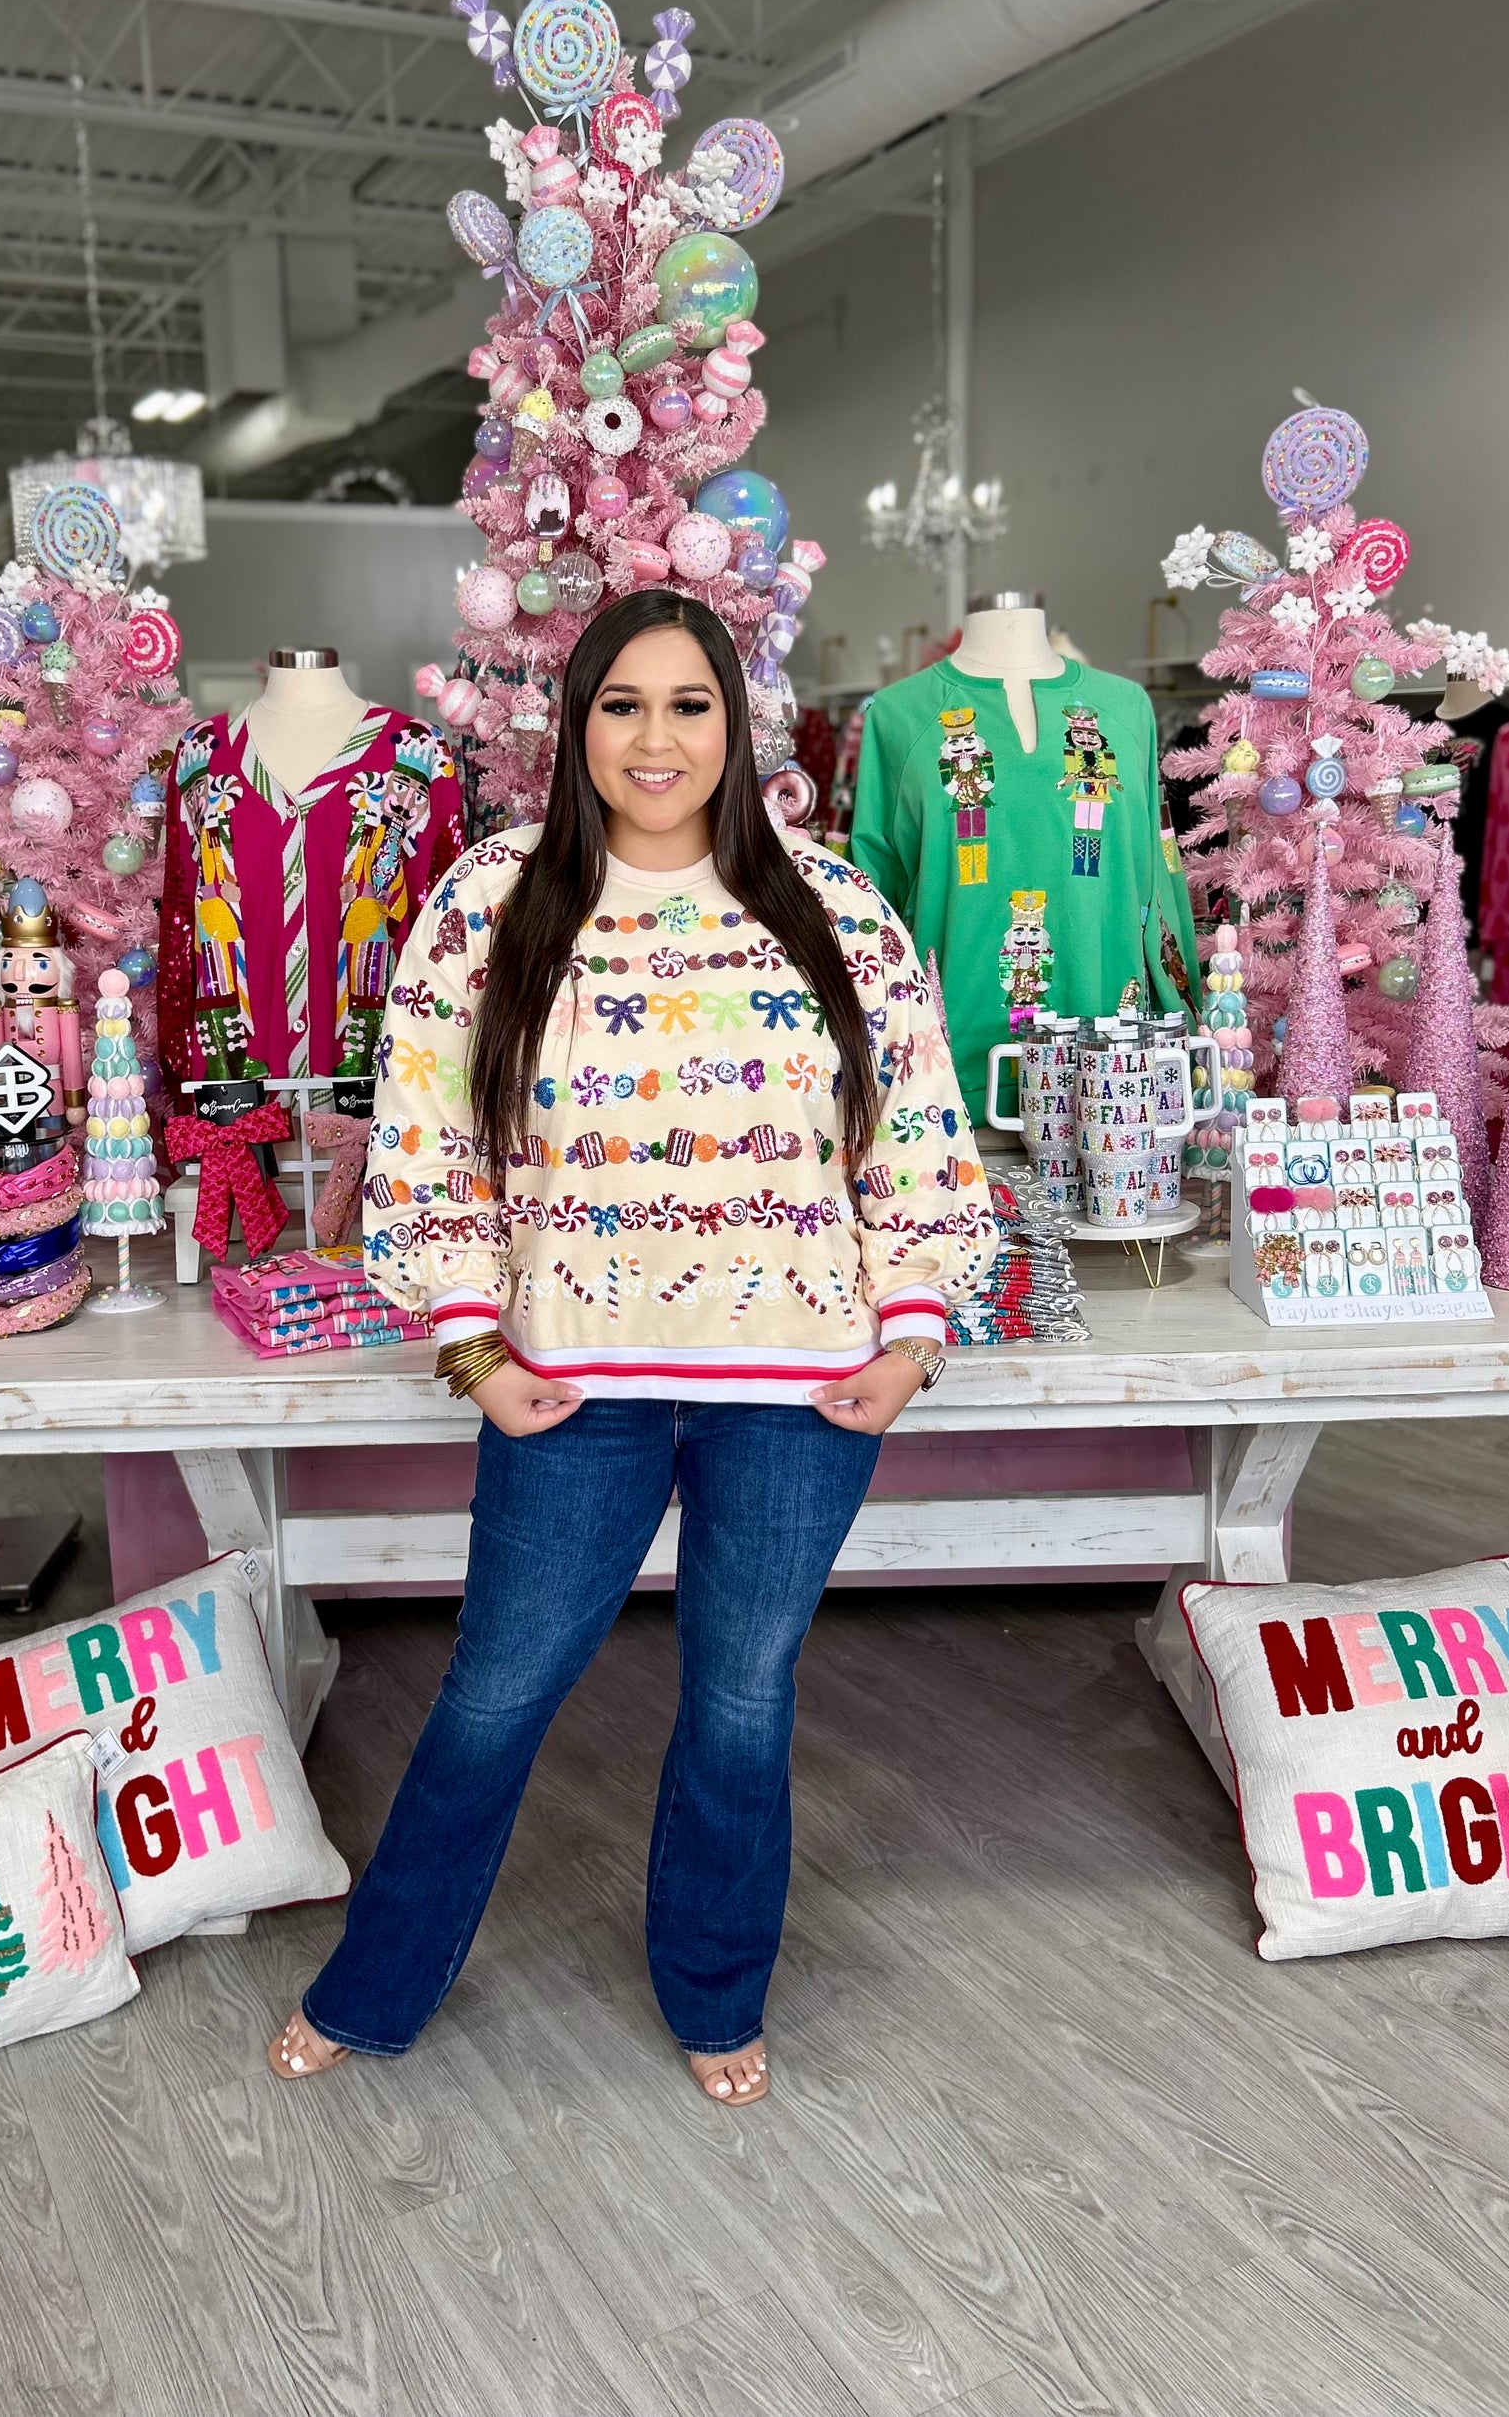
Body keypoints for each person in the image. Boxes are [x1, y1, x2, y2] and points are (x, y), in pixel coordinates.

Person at [268, 591, 996, 2106]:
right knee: (494, 1692)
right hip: (571, 1385)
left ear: (736, 728)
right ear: (577, 726)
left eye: (688, 706)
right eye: (622, 705)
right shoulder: (492, 904)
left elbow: (913, 1129)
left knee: (744, 1700)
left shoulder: (833, 906)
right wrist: (471, 1342)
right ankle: (378, 1985)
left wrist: (914, 1327)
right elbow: (427, 1138)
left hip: (799, 1389)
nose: (655, 739)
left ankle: (717, 1991)